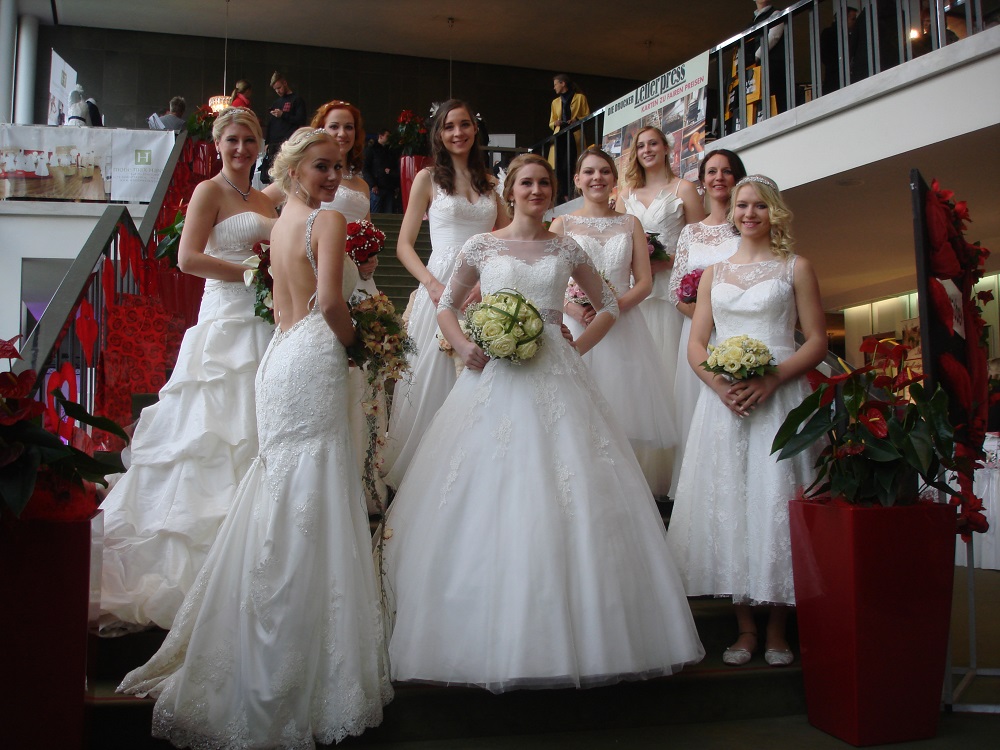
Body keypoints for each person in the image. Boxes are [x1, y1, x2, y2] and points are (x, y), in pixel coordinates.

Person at [383, 153, 704, 691]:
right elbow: (446, 304)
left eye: (544, 184)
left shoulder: (566, 247)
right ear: (510, 191)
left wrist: (578, 347)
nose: (536, 190)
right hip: (495, 374)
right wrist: (464, 344)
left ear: (553, 192)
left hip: (557, 371)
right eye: (527, 183)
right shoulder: (481, 245)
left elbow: (608, 304)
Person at [118, 128, 392, 746]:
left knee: (281, 487)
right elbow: (330, 303)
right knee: (311, 487)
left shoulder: (282, 221)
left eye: (338, 167)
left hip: (279, 356)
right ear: (294, 171)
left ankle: (264, 623)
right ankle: (293, 643)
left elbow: (282, 294)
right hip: (314, 355)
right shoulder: (324, 222)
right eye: (322, 167)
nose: (332, 177)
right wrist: (364, 347)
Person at [98, 108, 277, 635]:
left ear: (260, 145)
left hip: (263, 319)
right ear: (218, 144)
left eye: (249, 140)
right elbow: (188, 258)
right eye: (232, 140)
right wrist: (253, 274)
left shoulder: (265, 199)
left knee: (257, 424)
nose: (241, 149)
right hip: (224, 318)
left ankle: (253, 554)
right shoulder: (208, 191)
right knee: (211, 430)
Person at [666, 175, 827, 668]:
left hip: (780, 396)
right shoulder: (713, 274)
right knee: (731, 501)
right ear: (732, 211)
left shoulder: (796, 267)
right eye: (742, 205)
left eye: (759, 205)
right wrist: (719, 386)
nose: (749, 213)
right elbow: (698, 344)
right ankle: (745, 628)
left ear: (774, 211)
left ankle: (778, 629)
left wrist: (773, 379)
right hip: (725, 401)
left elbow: (816, 340)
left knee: (777, 499)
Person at [382, 99, 506, 489]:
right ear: (439, 133)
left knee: (482, 374)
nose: (458, 132)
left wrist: (486, 283)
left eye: (464, 124)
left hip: (483, 287)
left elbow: (506, 238)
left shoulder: (491, 184)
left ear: (475, 129)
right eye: (449, 126)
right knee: (431, 379)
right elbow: (403, 245)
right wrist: (434, 286)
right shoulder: (428, 179)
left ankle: (472, 473)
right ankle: (426, 479)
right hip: (439, 283)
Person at [552, 147, 677, 496]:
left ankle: (620, 493)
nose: (597, 178)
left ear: (614, 180)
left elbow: (645, 283)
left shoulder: (630, 223)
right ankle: (579, 490)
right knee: (575, 414)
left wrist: (611, 308)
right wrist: (572, 308)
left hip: (623, 328)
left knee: (621, 415)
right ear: (577, 180)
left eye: (605, 171)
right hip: (575, 325)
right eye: (589, 172)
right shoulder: (562, 224)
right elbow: (549, 280)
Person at [617, 125, 705, 491]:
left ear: (667, 148)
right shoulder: (625, 195)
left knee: (671, 379)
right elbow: (615, 241)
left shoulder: (684, 189)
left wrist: (668, 261)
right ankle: (638, 473)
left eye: (653, 143)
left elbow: (701, 240)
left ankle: (676, 473)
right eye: (641, 146)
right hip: (636, 295)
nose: (647, 150)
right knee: (639, 381)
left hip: (671, 296)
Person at [666, 148, 747, 496]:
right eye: (711, 171)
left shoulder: (747, 227)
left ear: (737, 178)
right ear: (702, 181)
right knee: (696, 412)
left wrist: (725, 320)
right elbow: (675, 289)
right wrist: (706, 320)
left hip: (739, 331)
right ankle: (698, 493)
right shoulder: (691, 233)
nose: (718, 178)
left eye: (726, 171)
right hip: (699, 333)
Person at [547, 74, 590, 203]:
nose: (554, 87)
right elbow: (551, 122)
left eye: (555, 84)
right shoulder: (555, 102)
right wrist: (555, 123)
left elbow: (587, 116)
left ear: (563, 83)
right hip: (560, 136)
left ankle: (574, 193)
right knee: (560, 166)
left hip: (574, 135)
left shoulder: (580, 98)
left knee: (573, 164)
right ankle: (564, 195)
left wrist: (576, 120)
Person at [261, 72, 307, 183]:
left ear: (285, 83)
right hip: (274, 144)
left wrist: (283, 115)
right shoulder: (276, 103)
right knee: (273, 176)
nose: (278, 91)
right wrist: (267, 142)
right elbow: (271, 124)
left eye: (279, 87)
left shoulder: (296, 100)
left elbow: (301, 120)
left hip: (288, 142)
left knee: (287, 174)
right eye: (275, 89)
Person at [747, 2, 788, 114]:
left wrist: (756, 57)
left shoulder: (775, 13)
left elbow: (773, 37)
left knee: (775, 98)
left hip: (772, 68)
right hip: (757, 71)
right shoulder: (751, 23)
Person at [820, 4, 859, 93]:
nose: (855, 23)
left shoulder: (848, 35)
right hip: (836, 82)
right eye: (853, 19)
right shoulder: (830, 34)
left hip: (836, 82)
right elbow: (827, 58)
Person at [363, 128, 399, 214]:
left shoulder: (391, 151)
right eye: (387, 136)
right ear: (380, 136)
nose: (389, 138)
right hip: (377, 188)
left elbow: (395, 167)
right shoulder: (371, 150)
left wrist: (395, 184)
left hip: (389, 188)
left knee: (389, 213)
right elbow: (365, 168)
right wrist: (373, 184)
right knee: (376, 213)